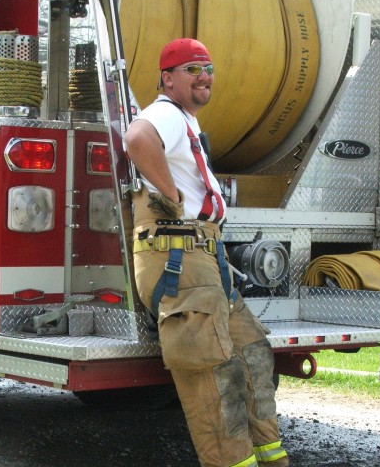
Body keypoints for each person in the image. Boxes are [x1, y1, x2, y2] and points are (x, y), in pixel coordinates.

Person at [124, 38, 289, 467]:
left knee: (251, 354)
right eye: (192, 69)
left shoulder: (185, 121)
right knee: (210, 376)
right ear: (167, 78)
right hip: (179, 257)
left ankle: (271, 458)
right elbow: (137, 138)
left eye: (209, 68)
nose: (204, 77)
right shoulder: (164, 113)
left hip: (204, 257)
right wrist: (172, 195)